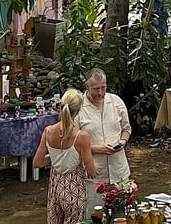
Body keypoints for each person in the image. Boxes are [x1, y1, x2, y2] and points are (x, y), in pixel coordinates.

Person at [34, 88, 98, 224]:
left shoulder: (48, 131)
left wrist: (57, 156)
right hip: (74, 187)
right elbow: (91, 170)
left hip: (55, 186)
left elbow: (37, 163)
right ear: (79, 110)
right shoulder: (81, 137)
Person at [76, 68, 131, 217]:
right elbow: (71, 142)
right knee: (95, 216)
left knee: (121, 216)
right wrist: (95, 148)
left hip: (119, 170)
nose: (100, 93)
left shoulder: (116, 101)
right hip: (94, 175)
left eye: (103, 88)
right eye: (96, 89)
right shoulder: (78, 107)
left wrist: (122, 142)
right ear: (86, 87)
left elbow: (126, 129)